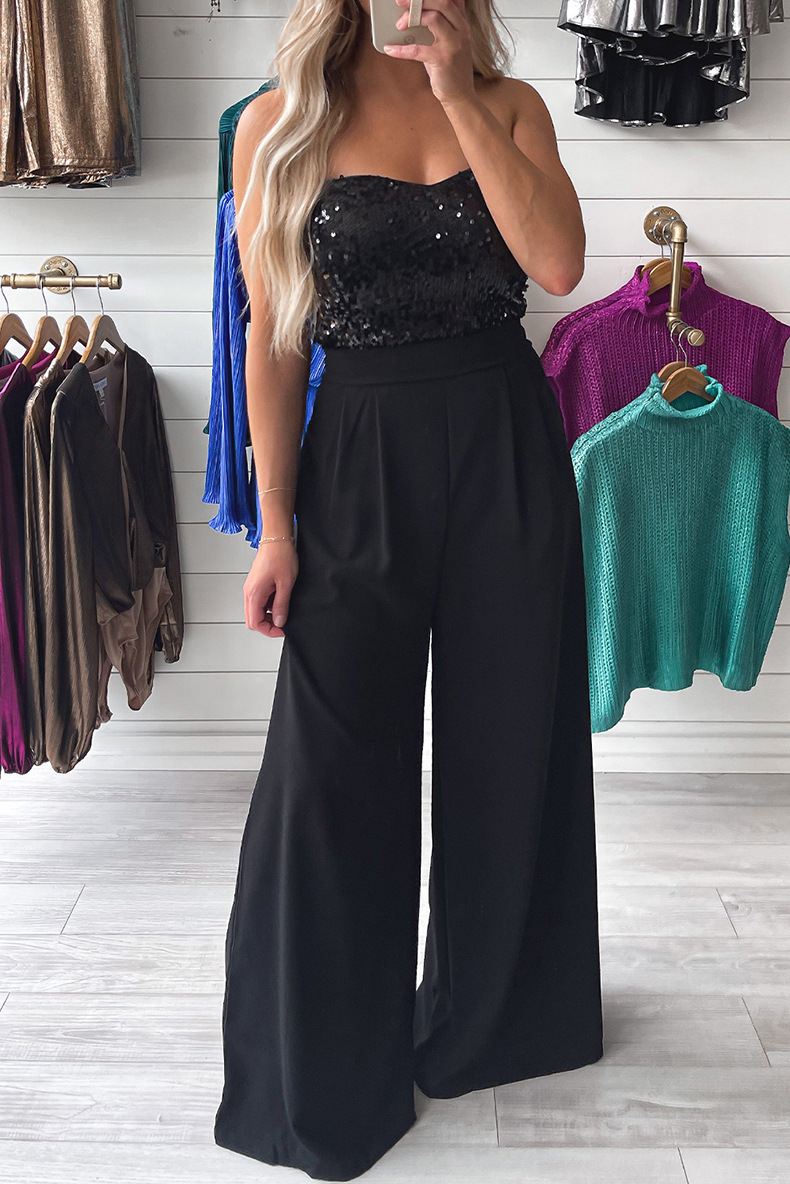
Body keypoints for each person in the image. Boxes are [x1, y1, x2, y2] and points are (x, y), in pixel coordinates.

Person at [213, 0, 604, 1179]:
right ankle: (324, 1062)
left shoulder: (509, 105)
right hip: (358, 453)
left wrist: (454, 91)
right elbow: (273, 336)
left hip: (504, 445)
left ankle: (497, 1021)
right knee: (332, 771)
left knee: (510, 744)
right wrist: (274, 527)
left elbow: (557, 263)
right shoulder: (277, 123)